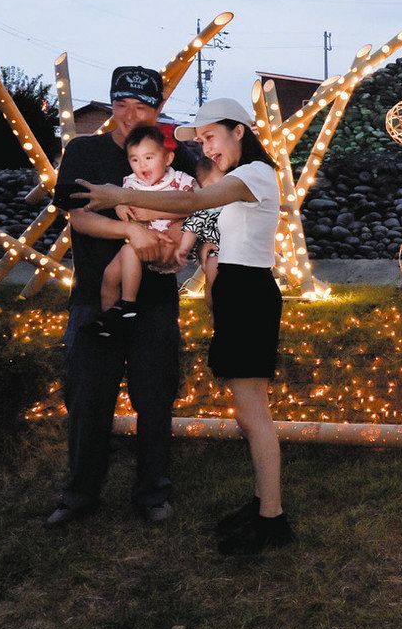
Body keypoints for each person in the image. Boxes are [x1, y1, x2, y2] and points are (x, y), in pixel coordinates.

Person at [75, 97, 294, 555]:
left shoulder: (255, 174)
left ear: (239, 130)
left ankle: (272, 518)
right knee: (246, 412)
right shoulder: (239, 179)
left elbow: (192, 200)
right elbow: (207, 224)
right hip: (236, 292)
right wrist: (193, 251)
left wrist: (120, 195)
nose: (207, 148)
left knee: (254, 412)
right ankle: (263, 502)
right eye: (203, 141)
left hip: (249, 295)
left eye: (212, 137)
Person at [45, 66, 196, 528]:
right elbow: (78, 216)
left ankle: (153, 492)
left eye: (142, 107)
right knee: (88, 397)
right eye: (121, 105)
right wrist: (130, 230)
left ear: (158, 109)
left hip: (156, 299)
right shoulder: (84, 151)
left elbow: (195, 209)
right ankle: (79, 493)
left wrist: (179, 245)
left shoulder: (175, 155)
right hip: (94, 296)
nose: (130, 116)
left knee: (155, 397)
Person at [92, 125, 195, 338]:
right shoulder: (131, 183)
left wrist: (152, 212)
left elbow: (193, 206)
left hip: (169, 245)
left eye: (149, 158)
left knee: (128, 251)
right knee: (110, 275)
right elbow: (123, 206)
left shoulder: (179, 180)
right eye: (135, 159)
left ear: (168, 158)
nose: (142, 165)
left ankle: (128, 303)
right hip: (144, 243)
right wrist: (120, 206)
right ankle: (109, 319)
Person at [175, 156, 224, 297]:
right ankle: (216, 302)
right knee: (213, 274)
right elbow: (192, 228)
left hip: (237, 247)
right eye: (212, 186)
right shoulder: (205, 209)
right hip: (214, 250)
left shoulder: (235, 201)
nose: (220, 190)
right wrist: (184, 249)